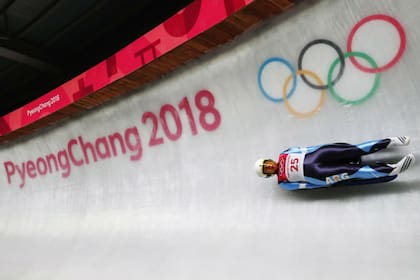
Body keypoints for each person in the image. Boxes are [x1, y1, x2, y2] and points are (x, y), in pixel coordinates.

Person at [254, 136, 415, 190]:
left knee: (354, 149)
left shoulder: (284, 154)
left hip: (317, 155)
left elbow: (305, 149)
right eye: (266, 169)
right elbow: (304, 186)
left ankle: (390, 141)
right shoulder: (283, 182)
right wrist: (326, 184)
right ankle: (392, 170)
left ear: (269, 160)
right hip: (317, 175)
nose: (269, 167)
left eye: (266, 164)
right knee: (352, 170)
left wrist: (323, 147)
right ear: (268, 175)